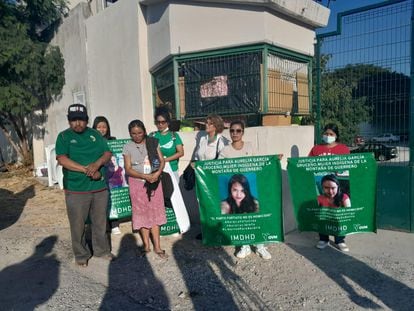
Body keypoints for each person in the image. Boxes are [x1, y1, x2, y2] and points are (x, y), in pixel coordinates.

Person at [56, 104, 114, 267]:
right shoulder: (63, 137)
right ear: (69, 121)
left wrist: (96, 164)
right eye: (73, 120)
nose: (77, 123)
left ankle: (102, 250)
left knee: (100, 221)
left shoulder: (95, 134)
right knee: (78, 224)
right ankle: (81, 255)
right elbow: (62, 159)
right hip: (76, 189)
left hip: (99, 187)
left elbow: (107, 153)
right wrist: (86, 170)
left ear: (87, 120)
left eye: (80, 119)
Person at [219, 120, 272, 260]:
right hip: (233, 190)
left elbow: (261, 162)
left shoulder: (250, 146)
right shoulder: (225, 151)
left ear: (243, 132)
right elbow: (216, 168)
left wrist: (274, 160)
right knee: (239, 220)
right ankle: (245, 246)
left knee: (256, 217)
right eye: (232, 131)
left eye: (238, 131)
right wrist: (199, 166)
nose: (235, 133)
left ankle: (260, 246)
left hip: (246, 189)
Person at [123, 119, 168, 258]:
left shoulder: (153, 142)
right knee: (142, 213)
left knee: (155, 212)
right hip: (137, 184)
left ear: (144, 131)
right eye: (133, 134)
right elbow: (128, 169)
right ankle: (146, 246)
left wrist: (157, 173)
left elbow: (161, 161)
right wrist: (144, 176)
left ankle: (158, 247)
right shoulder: (127, 147)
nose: (137, 136)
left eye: (140, 133)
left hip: (155, 182)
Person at [308, 123, 351, 252]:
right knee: (323, 212)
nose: (328, 136)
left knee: (337, 213)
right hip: (321, 185)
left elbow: (349, 165)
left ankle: (340, 240)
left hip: (336, 186)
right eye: (326, 133)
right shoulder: (316, 149)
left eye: (331, 134)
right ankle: (323, 238)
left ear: (336, 136)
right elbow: (307, 163)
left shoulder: (343, 149)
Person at [192, 114, 226, 240]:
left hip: (214, 180)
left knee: (216, 205)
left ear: (216, 126)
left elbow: (223, 161)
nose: (206, 125)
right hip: (201, 179)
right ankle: (206, 230)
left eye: (209, 123)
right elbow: (197, 156)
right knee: (203, 203)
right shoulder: (203, 139)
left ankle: (218, 231)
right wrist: (193, 163)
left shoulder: (221, 141)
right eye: (206, 122)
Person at [92, 116, 122, 235]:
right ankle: (104, 226)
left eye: (104, 127)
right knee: (100, 201)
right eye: (99, 127)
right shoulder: (91, 141)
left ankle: (114, 224)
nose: (101, 129)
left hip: (112, 175)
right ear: (94, 128)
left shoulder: (112, 140)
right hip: (98, 175)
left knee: (113, 198)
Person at [150, 107, 184, 181]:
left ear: (168, 122)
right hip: (156, 171)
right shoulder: (152, 136)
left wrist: (164, 160)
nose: (160, 124)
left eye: (163, 122)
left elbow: (181, 152)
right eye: (158, 122)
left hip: (172, 170)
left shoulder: (174, 136)